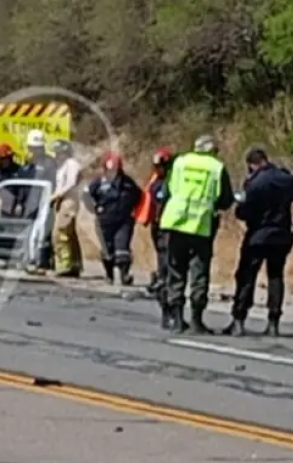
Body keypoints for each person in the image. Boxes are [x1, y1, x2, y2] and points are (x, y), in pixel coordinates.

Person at [159, 134, 235, 333]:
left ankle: (176, 319)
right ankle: (196, 321)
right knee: (199, 273)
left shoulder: (180, 163)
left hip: (176, 223)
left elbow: (167, 191)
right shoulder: (216, 167)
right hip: (201, 225)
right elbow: (225, 199)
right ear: (212, 150)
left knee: (176, 271)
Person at [224, 147, 293, 337]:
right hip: (281, 235)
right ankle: (273, 321)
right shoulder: (286, 178)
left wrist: (240, 210)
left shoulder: (255, 183)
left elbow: (244, 212)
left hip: (258, 235)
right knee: (275, 277)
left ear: (252, 164)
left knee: (246, 276)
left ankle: (239, 319)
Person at [87, 151, 142, 285]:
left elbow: (138, 197)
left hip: (124, 221)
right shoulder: (98, 182)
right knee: (107, 250)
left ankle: (125, 275)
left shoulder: (128, 183)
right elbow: (88, 197)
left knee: (122, 250)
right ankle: (109, 275)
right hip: (104, 222)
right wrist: (96, 209)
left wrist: (132, 212)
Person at [136, 147, 174, 314]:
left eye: (161, 166)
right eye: (155, 166)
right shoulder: (155, 181)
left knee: (167, 255)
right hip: (157, 225)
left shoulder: (173, 181)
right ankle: (161, 279)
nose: (157, 169)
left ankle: (165, 283)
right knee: (161, 253)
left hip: (169, 225)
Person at [22, 130, 57, 273]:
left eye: (35, 147)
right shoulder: (29, 163)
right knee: (30, 233)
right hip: (31, 202)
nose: (32, 150)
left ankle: (41, 261)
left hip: (45, 200)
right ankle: (30, 259)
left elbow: (53, 183)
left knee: (41, 232)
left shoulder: (49, 163)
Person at [50, 139, 83, 277]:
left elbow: (71, 183)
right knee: (70, 234)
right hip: (62, 201)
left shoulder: (72, 164)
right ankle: (74, 264)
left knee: (60, 233)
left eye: (59, 152)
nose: (57, 155)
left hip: (68, 201)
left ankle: (65, 265)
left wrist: (57, 195)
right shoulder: (61, 166)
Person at [0, 143, 25, 216]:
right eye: (1, 159)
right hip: (4, 206)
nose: (3, 161)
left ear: (10, 157)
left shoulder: (19, 170)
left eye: (5, 158)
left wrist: (20, 203)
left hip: (19, 206)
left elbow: (23, 189)